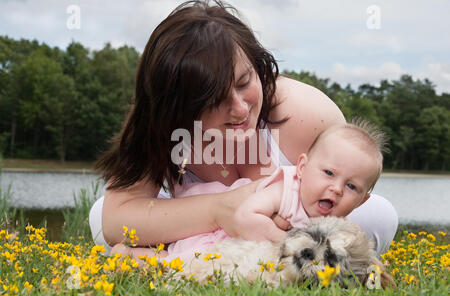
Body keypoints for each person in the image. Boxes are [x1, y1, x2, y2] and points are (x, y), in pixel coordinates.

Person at [89, 0, 398, 260]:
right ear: (177, 106)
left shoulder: (307, 114)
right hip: (203, 230)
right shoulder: (157, 125)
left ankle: (175, 258)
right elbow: (116, 220)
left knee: (378, 216)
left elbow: (343, 193)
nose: (240, 109)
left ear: (256, 64)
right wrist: (223, 212)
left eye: (244, 82)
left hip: (295, 228)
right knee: (99, 216)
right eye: (214, 100)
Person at [109, 119, 388, 263]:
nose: (336, 189)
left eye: (351, 187)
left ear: (362, 200)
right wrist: (288, 241)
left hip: (250, 249)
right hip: (219, 232)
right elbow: (244, 217)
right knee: (182, 264)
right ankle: (130, 255)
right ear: (302, 167)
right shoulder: (287, 189)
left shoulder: (338, 221)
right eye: (328, 173)